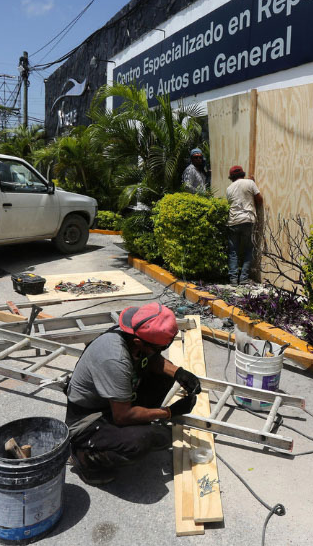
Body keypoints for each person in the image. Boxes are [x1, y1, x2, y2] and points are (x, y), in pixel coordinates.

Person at [65, 302, 202, 485]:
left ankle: (139, 423)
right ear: (138, 341)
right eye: (159, 348)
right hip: (89, 419)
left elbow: (152, 358)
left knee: (164, 374)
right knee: (140, 441)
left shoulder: (133, 334)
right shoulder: (115, 359)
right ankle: (84, 457)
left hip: (113, 401)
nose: (161, 351)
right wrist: (169, 412)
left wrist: (178, 372)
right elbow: (123, 416)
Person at [225, 165, 263, 285]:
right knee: (248, 249)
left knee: (233, 251)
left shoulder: (229, 188)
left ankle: (233, 279)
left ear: (231, 177)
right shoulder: (250, 183)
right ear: (243, 174)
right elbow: (259, 199)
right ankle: (244, 278)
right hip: (247, 220)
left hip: (233, 222)